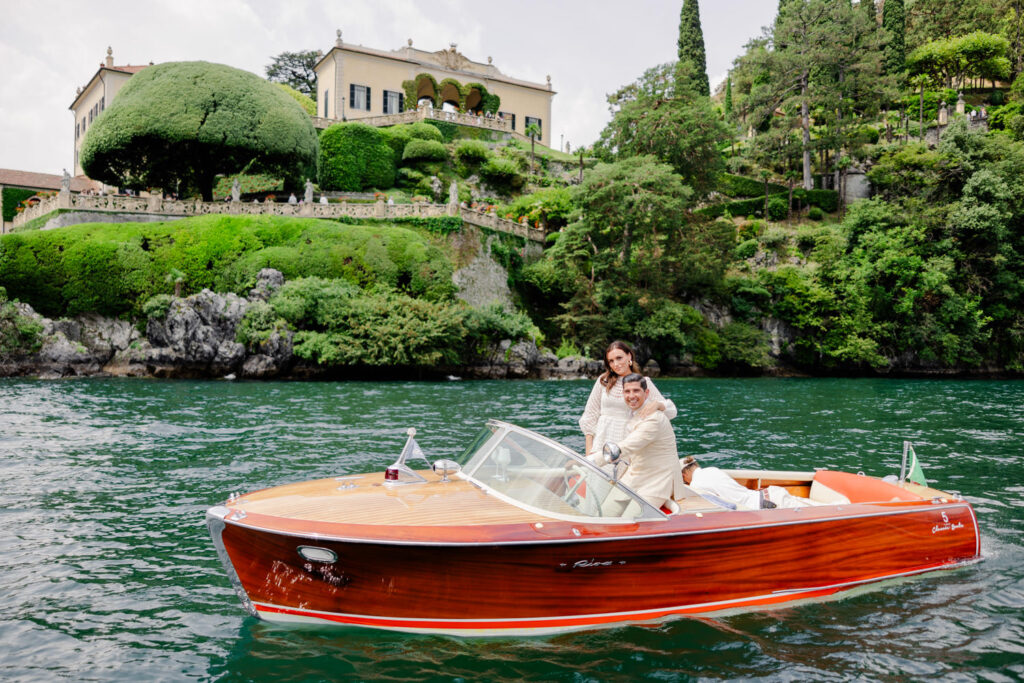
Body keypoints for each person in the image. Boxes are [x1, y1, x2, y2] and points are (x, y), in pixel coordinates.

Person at [589, 374, 684, 512]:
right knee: (604, 512)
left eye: (636, 391)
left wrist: (591, 460)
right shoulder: (632, 413)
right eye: (627, 391)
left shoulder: (654, 419)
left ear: (646, 393)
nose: (631, 395)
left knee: (632, 519)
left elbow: (627, 446)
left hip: (657, 479)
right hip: (634, 475)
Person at [579, 341, 675, 458]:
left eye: (619, 358)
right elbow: (590, 416)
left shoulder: (642, 382)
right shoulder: (603, 381)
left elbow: (671, 411)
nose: (616, 364)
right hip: (601, 442)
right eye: (611, 361)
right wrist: (589, 452)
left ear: (629, 356)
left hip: (627, 443)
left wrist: (657, 404)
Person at [681, 456, 812, 509]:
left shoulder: (696, 486)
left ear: (684, 474)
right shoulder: (712, 470)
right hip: (771, 494)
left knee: (828, 511)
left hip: (767, 505)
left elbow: (723, 506)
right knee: (824, 507)